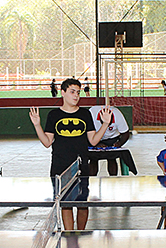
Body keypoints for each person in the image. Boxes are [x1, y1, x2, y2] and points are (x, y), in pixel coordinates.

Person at [29, 78, 111, 230]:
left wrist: (105, 124)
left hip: (81, 166)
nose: (76, 96)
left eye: (78, 92)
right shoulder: (54, 115)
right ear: (63, 93)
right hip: (60, 166)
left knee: (82, 203)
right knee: (65, 204)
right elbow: (47, 142)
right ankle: (70, 235)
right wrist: (37, 125)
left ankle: (80, 234)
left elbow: (92, 141)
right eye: (72, 92)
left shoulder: (85, 114)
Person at [87, 104, 131, 176]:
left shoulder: (117, 115)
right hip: (95, 137)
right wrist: (96, 144)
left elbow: (125, 133)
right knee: (93, 159)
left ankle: (113, 178)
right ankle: (92, 179)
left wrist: (119, 143)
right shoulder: (91, 113)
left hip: (112, 138)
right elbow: (85, 133)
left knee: (111, 158)